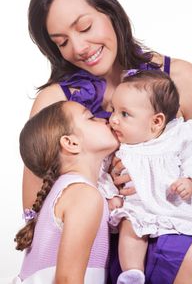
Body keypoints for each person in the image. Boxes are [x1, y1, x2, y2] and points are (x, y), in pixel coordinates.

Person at [22, 0, 192, 283]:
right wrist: (102, 184)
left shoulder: (178, 77)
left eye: (85, 26)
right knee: (180, 252)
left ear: (110, 11)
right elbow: (37, 210)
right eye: (62, 41)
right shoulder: (55, 103)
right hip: (98, 251)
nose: (79, 48)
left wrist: (179, 176)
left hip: (172, 226)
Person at [100, 69, 192, 284]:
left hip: (178, 208)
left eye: (124, 114)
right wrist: (110, 194)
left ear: (157, 121)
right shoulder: (121, 148)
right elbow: (101, 175)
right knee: (130, 228)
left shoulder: (176, 137)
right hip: (142, 208)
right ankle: (132, 272)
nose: (113, 120)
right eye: (113, 110)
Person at [14, 100, 119, 283]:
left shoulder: (66, 190)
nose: (105, 120)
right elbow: (67, 279)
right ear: (71, 142)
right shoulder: (83, 195)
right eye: (92, 118)